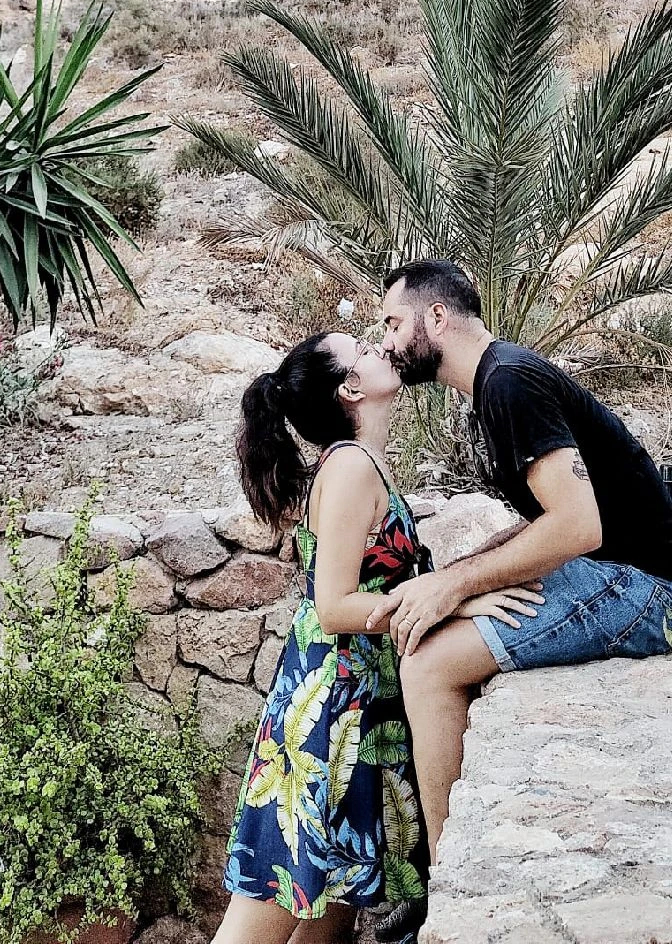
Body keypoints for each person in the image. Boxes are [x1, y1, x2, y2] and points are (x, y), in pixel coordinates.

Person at [366, 259, 672, 938]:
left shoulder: (507, 383)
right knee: (426, 643)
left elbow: (578, 524)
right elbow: (550, 518)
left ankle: (445, 883)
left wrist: (454, 583)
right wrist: (459, 572)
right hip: (614, 568)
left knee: (430, 663)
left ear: (436, 315)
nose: (386, 340)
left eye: (393, 321)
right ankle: (435, 869)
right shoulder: (496, 382)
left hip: (646, 585)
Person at [213, 329, 542, 944]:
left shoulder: (360, 464)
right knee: (257, 924)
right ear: (352, 388)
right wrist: (456, 596)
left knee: (328, 919)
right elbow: (333, 605)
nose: (378, 346)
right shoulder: (350, 466)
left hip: (357, 706)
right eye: (362, 348)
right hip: (332, 712)